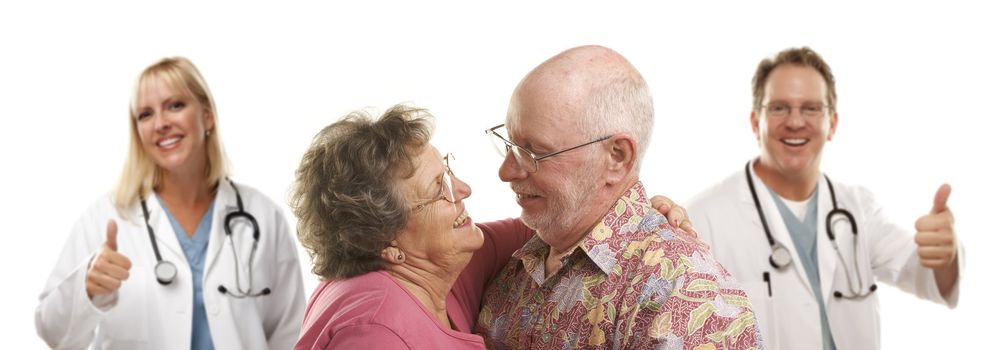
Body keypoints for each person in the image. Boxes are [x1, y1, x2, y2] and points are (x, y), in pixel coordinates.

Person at [289, 105, 692, 349]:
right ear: (386, 240)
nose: (463, 189)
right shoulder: (376, 333)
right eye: (439, 188)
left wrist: (640, 213)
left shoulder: (444, 265)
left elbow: (557, 225)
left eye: (448, 169)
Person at [476, 45, 762, 349]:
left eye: (533, 152)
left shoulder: (683, 292)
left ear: (617, 157)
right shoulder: (514, 266)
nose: (506, 172)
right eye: (509, 143)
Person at [685, 47, 963, 349]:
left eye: (811, 108)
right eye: (779, 108)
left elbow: (932, 279)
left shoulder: (859, 209)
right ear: (755, 122)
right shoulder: (703, 218)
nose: (794, 122)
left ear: (832, 123)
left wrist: (945, 255)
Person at [35, 57, 306, 350]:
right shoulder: (106, 218)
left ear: (208, 115)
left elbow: (291, 336)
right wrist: (86, 289)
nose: (161, 123)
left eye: (175, 105)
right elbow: (52, 333)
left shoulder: (263, 217)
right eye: (145, 115)